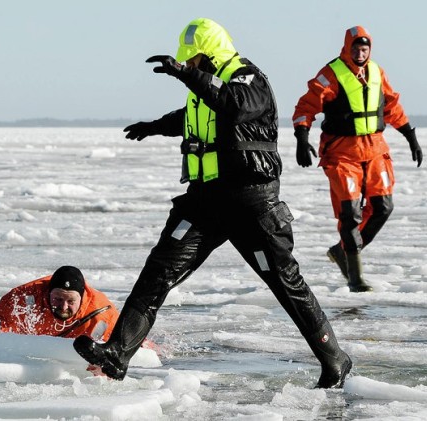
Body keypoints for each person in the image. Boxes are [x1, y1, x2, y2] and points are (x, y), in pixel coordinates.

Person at [73, 17, 351, 388]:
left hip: (251, 202)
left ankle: (335, 359)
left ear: (210, 54)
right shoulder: (204, 85)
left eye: (193, 60)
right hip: (204, 201)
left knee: (284, 282)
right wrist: (152, 126)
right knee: (158, 271)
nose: (189, 66)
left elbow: (233, 105)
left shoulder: (250, 79)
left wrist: (186, 76)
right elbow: (193, 116)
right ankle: (118, 354)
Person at [292, 25, 423, 293]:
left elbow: (391, 106)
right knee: (350, 214)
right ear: (347, 47)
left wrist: (410, 136)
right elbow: (306, 106)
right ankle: (355, 278)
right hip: (342, 153)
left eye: (364, 48)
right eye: (355, 48)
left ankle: (342, 251)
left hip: (375, 149)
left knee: (383, 207)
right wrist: (301, 139)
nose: (360, 53)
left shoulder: (376, 72)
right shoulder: (331, 74)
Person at [0, 266, 120, 341]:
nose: (64, 307)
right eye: (58, 299)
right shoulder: (23, 299)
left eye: (71, 301)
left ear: (82, 297)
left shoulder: (102, 313)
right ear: (48, 293)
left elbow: (126, 344)